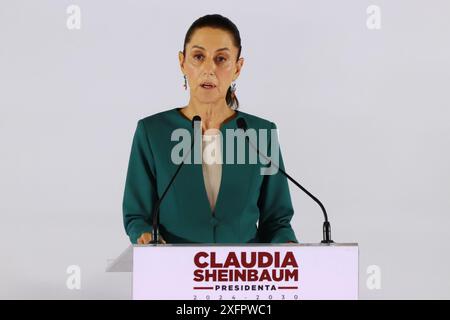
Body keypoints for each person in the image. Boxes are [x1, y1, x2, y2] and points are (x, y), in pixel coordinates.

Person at [122, 14, 298, 244]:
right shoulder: (152, 132)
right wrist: (143, 235)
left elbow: (277, 221)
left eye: (221, 59)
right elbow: (137, 215)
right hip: (174, 271)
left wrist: (288, 245)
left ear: (237, 67)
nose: (209, 69)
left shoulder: (260, 134)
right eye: (198, 56)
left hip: (240, 276)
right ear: (182, 62)